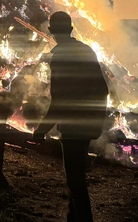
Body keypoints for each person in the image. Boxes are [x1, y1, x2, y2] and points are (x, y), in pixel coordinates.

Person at [33, 12, 109, 222]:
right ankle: (72, 218)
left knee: (75, 180)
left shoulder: (60, 56)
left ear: (50, 31)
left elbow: (59, 100)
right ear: (71, 29)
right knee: (76, 177)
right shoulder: (86, 51)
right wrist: (96, 121)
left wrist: (41, 130)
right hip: (87, 124)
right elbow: (102, 89)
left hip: (73, 127)